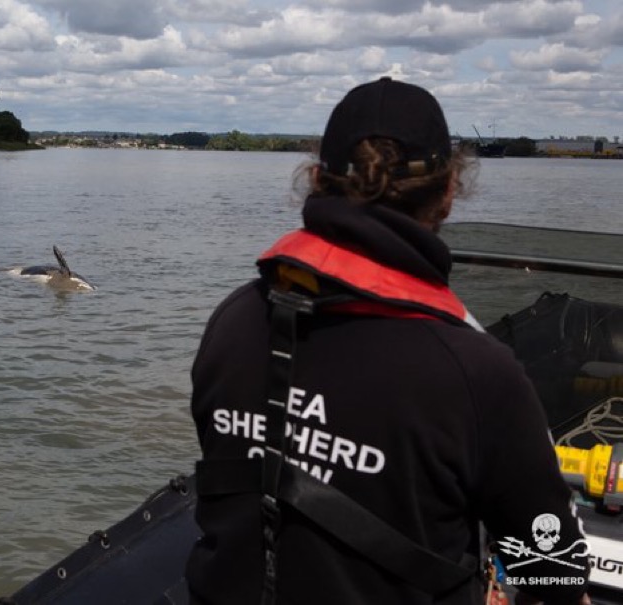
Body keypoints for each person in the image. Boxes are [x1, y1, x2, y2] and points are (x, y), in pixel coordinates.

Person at [185, 77, 590, 605]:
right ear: (449, 191)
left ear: (314, 178)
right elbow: (552, 579)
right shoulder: (477, 372)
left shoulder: (235, 320)